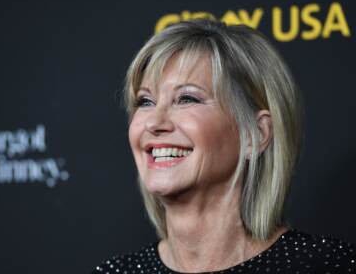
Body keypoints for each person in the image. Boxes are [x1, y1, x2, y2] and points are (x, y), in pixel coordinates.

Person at [91, 19, 355, 273]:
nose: (154, 123)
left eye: (186, 98)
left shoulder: (331, 266)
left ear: (255, 134)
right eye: (145, 101)